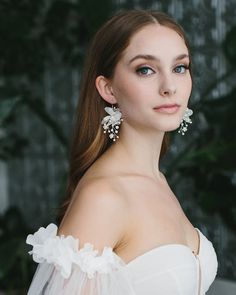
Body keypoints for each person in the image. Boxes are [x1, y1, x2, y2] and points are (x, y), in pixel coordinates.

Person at [26, 9, 218, 295]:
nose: (169, 87)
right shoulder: (104, 196)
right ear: (108, 89)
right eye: (145, 70)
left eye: (180, 67)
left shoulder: (157, 180)